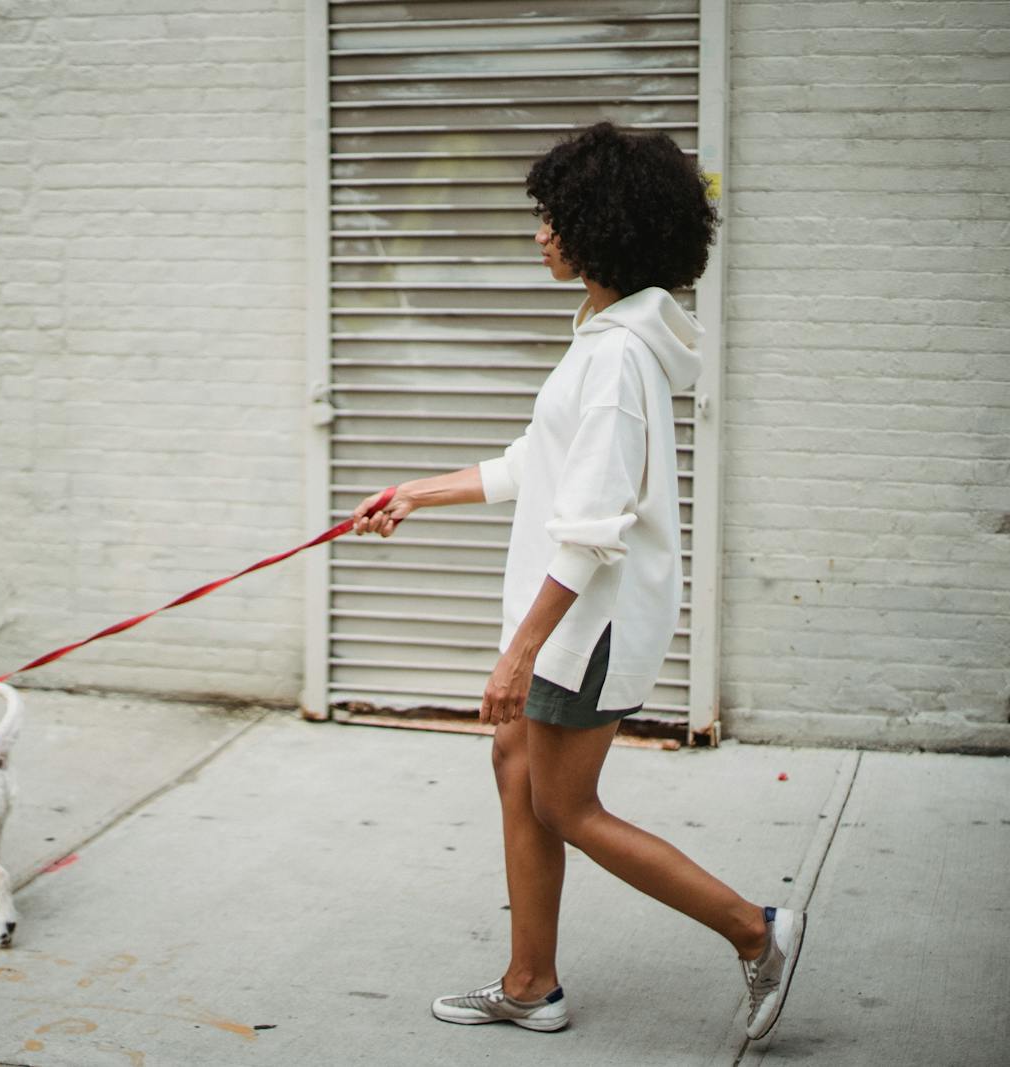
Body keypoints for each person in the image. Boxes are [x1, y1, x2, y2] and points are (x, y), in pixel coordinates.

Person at [349, 121, 805, 1040]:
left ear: (607, 227)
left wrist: (517, 655)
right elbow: (536, 463)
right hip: (568, 620)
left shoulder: (617, 360)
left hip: (584, 627)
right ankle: (530, 982)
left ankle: (755, 931)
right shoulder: (603, 333)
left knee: (564, 801)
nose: (539, 235)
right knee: (515, 765)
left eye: (555, 218)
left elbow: (591, 531)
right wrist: (415, 492)